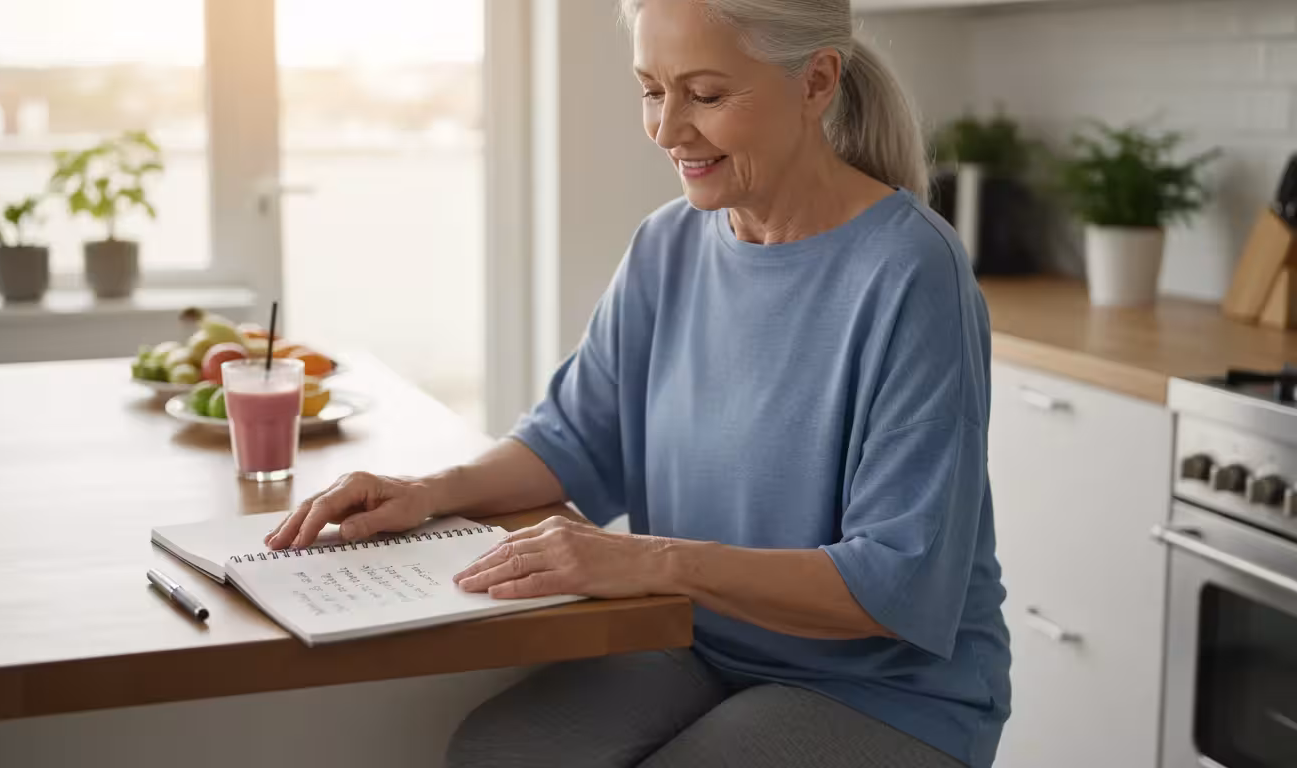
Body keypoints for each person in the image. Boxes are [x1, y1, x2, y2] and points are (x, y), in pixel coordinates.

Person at [265, 0, 1011, 764]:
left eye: (707, 95)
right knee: (496, 753)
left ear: (816, 82)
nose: (666, 128)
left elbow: (893, 581)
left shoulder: (912, 274)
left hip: (881, 690)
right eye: (652, 90)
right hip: (692, 636)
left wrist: (644, 560)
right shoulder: (668, 244)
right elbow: (573, 440)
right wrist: (429, 491)